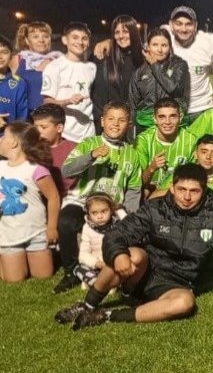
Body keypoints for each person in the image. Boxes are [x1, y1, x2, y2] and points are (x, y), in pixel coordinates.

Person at [53, 163, 213, 330]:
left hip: (177, 284)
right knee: (132, 255)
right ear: (172, 188)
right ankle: (87, 305)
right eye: (181, 189)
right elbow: (117, 233)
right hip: (142, 274)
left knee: (185, 302)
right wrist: (119, 255)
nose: (187, 197)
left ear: (204, 190)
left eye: (194, 191)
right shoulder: (155, 208)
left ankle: (107, 315)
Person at [54, 101, 142, 294]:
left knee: (130, 231)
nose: (115, 124)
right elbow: (67, 170)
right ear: (102, 121)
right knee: (66, 222)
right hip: (82, 201)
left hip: (113, 207)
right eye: (111, 119)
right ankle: (72, 272)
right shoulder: (89, 143)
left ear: (129, 124)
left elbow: (134, 189)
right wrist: (91, 156)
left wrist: (131, 216)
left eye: (121, 120)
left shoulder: (132, 155)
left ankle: (120, 275)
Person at [0, 122, 60, 282]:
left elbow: (53, 197)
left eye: (3, 137)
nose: (0, 140)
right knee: (14, 280)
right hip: (8, 236)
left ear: (14, 143)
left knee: (44, 276)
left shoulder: (36, 169)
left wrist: (52, 227)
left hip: (36, 234)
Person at [128, 28, 190, 134]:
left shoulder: (179, 65)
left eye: (164, 45)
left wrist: (154, 65)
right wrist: (132, 132)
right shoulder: (139, 72)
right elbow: (132, 104)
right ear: (148, 46)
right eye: (155, 45)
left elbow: (173, 88)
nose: (160, 50)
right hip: (145, 126)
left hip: (172, 126)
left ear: (170, 47)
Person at [41, 22, 96, 143]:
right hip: (65, 135)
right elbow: (47, 102)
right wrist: (68, 101)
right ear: (65, 40)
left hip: (88, 134)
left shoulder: (92, 67)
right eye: (75, 37)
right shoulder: (54, 66)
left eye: (84, 38)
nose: (80, 42)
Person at [90, 15, 144, 132]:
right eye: (117, 32)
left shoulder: (144, 58)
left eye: (125, 31)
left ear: (133, 32)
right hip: (106, 126)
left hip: (132, 126)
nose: (121, 36)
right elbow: (95, 93)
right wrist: (102, 119)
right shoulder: (103, 56)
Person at [135, 98, 198, 194]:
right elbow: (137, 183)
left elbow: (196, 180)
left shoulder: (191, 141)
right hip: (150, 193)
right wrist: (151, 168)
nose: (167, 122)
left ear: (180, 117)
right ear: (154, 119)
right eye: (162, 117)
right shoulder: (143, 140)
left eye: (173, 116)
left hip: (179, 195)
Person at [75, 194, 122, 290]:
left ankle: (109, 283)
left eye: (104, 211)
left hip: (113, 263)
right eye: (94, 213)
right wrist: (96, 263)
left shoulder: (118, 225)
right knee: (79, 269)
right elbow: (83, 254)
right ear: (88, 214)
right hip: (96, 265)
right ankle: (99, 282)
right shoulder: (87, 228)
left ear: (111, 210)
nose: (100, 216)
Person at [12, 21, 60, 112]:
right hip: (21, 115)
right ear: (27, 40)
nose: (41, 40)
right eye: (35, 37)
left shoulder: (58, 62)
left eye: (45, 36)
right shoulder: (18, 59)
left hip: (49, 116)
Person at [30, 103, 76, 194]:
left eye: (43, 127)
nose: (38, 131)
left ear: (59, 128)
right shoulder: (29, 148)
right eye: (35, 127)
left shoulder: (74, 150)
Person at [0, 37, 29, 132]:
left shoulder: (19, 83)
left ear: (11, 55)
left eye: (4, 52)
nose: (0, 56)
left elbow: (22, 119)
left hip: (7, 138)